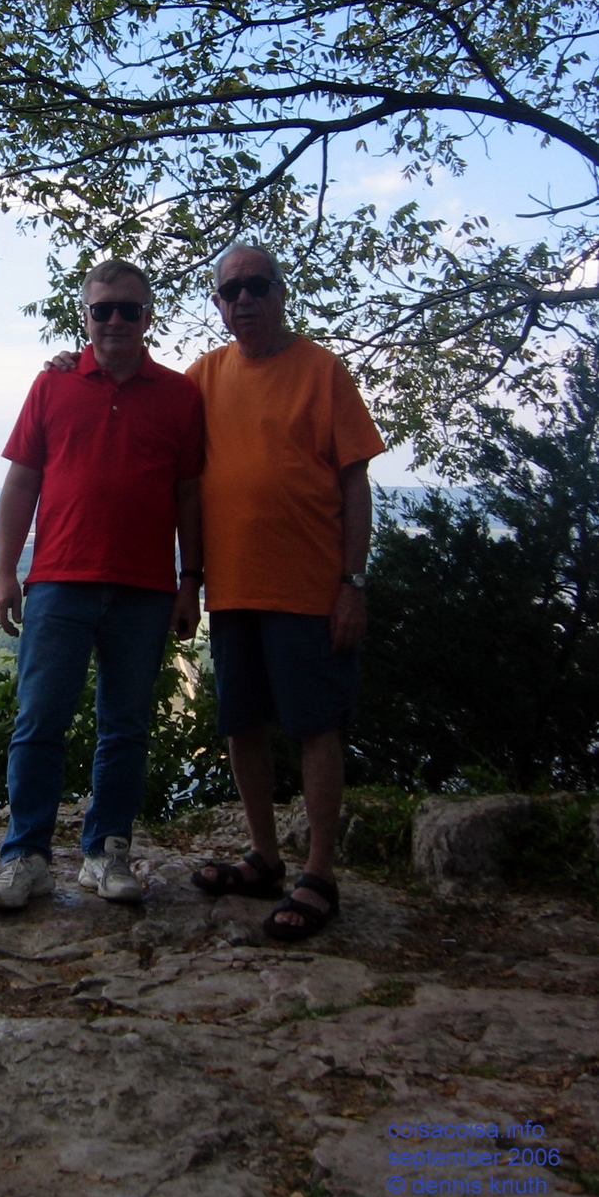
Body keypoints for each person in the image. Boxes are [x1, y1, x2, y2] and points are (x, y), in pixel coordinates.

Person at [0, 259, 204, 910]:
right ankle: (26, 857)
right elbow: (22, 481)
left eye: (128, 309)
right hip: (58, 579)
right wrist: (4, 571)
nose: (114, 319)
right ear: (85, 315)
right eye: (102, 308)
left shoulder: (179, 396)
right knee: (38, 723)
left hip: (144, 588)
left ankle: (107, 851)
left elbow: (189, 495)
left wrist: (191, 581)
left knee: (126, 728)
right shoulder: (51, 387)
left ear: (147, 317)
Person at [186, 243, 384, 940]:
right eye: (229, 291)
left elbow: (355, 482)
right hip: (233, 590)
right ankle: (266, 859)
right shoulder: (204, 377)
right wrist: (73, 364)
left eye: (256, 287)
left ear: (279, 292)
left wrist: (351, 582)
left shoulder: (321, 370)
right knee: (242, 725)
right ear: (218, 303)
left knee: (314, 727)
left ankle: (320, 874)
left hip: (309, 589)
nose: (243, 301)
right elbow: (142, 404)